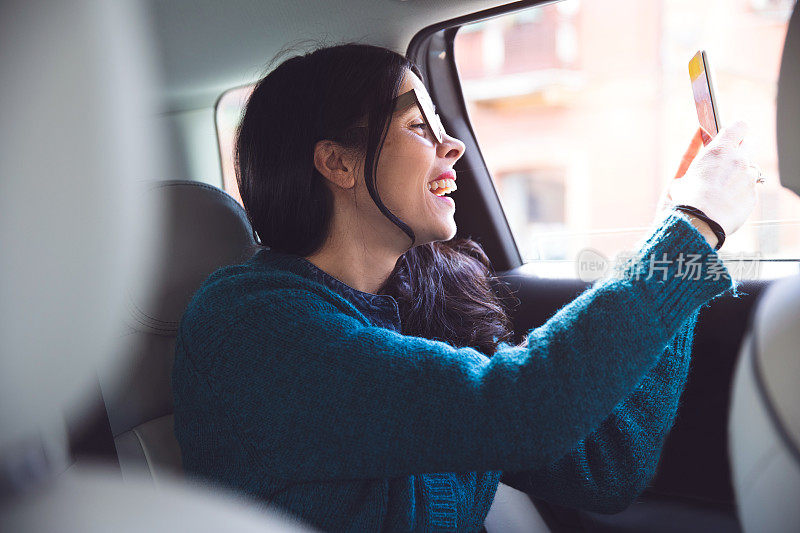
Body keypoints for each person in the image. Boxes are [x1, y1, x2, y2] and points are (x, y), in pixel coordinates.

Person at [172, 43, 760, 532]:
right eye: (418, 124)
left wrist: (680, 244)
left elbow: (605, 468)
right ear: (339, 163)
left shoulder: (404, 312)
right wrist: (691, 229)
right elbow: (525, 407)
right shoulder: (249, 326)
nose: (450, 144)